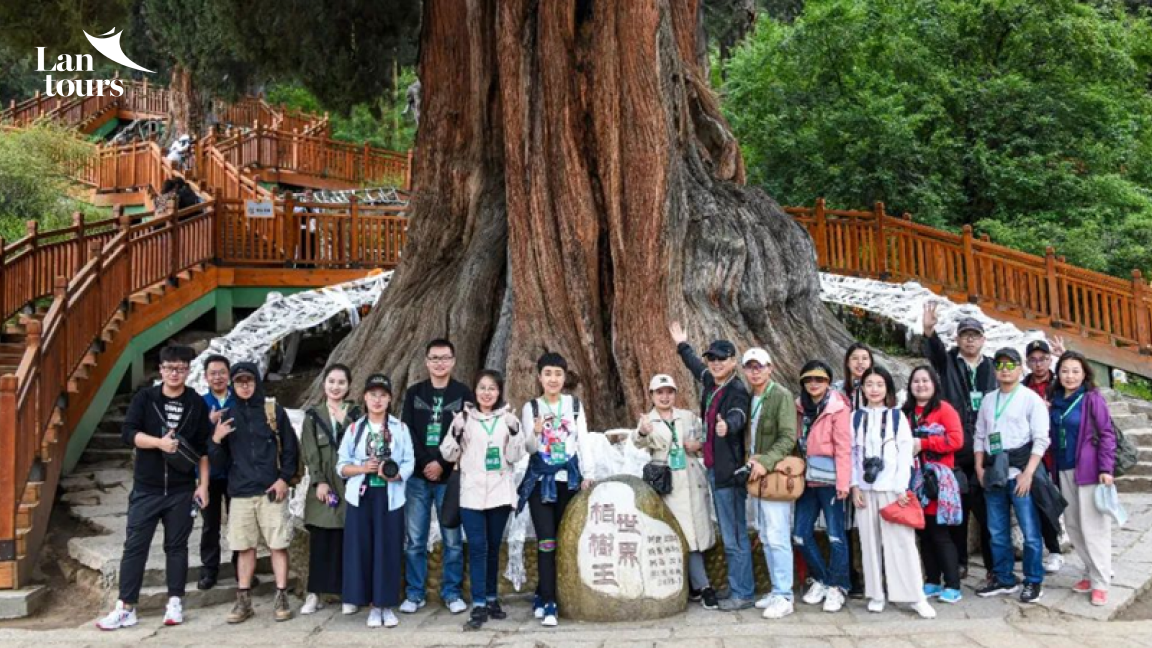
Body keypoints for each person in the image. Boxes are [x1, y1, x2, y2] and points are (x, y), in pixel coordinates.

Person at [97, 346, 213, 630]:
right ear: (160, 369)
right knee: (135, 546)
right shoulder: (146, 399)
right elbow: (128, 434)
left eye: (181, 368)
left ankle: (175, 601)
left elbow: (202, 450)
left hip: (181, 489)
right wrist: (159, 443)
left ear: (188, 371)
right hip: (147, 487)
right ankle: (126, 606)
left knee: (177, 547)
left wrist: (204, 486)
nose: (175, 373)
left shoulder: (195, 403)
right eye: (170, 367)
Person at [669, 322, 754, 611]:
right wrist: (683, 344)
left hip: (729, 473)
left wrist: (726, 426)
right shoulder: (711, 383)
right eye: (712, 359)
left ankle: (743, 593)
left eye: (722, 359)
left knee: (734, 535)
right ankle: (736, 584)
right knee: (731, 533)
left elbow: (738, 415)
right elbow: (696, 367)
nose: (716, 364)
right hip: (715, 470)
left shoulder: (737, 390)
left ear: (733, 362)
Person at [208, 362, 298, 624]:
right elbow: (216, 463)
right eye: (239, 382)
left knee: (277, 545)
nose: (245, 385)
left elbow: (291, 448)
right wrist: (216, 438)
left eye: (249, 380)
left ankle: (281, 595)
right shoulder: (227, 415)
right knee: (244, 546)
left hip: (271, 488)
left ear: (257, 382)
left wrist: (284, 479)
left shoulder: (272, 411)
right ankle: (243, 598)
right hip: (240, 491)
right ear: (232, 385)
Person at [440, 370, 527, 630]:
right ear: (475, 392)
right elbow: (447, 454)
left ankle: (491, 599)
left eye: (492, 388)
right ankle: (478, 603)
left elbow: (515, 455)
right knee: (477, 547)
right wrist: (455, 432)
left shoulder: (508, 419)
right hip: (471, 494)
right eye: (482, 388)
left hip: (500, 492)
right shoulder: (465, 418)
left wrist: (513, 431)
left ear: (499, 392)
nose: (487, 393)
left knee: (492, 547)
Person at [850, 366, 936, 619]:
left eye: (879, 384)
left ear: (887, 388)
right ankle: (876, 593)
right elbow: (851, 455)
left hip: (892, 488)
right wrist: (855, 485)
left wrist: (902, 488)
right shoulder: (854, 417)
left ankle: (914, 595)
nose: (874, 390)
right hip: (865, 490)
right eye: (869, 384)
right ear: (862, 388)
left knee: (901, 542)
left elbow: (904, 453)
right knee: (869, 542)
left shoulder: (897, 417)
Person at [921, 303, 996, 582]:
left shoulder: (992, 366)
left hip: (985, 447)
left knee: (987, 510)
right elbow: (935, 353)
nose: (970, 339)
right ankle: (960, 561)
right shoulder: (949, 362)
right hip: (956, 447)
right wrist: (929, 331)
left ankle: (992, 566)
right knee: (957, 508)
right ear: (958, 339)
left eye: (975, 335)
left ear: (983, 339)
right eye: (965, 335)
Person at [518, 352, 594, 627]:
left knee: (563, 539)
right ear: (539, 377)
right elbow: (529, 449)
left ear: (564, 377)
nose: (553, 379)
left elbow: (582, 440)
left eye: (558, 374)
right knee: (546, 541)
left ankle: (543, 592)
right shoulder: (531, 408)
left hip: (569, 481)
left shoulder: (573, 405)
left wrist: (589, 473)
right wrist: (535, 433)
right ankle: (550, 602)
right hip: (540, 483)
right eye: (547, 373)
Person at [632, 374, 718, 611]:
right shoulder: (648, 420)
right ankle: (705, 587)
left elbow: (704, 438)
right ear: (651, 395)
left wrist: (698, 446)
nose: (665, 396)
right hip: (667, 483)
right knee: (684, 535)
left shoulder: (688, 417)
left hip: (691, 477)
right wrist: (641, 432)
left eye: (669, 392)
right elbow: (636, 441)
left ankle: (692, 586)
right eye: (659, 392)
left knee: (696, 533)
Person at [399, 339, 473, 615]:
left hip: (449, 478)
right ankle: (415, 593)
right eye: (434, 358)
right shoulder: (414, 392)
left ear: (453, 361)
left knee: (452, 539)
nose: (440, 363)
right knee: (415, 539)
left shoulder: (463, 392)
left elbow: (465, 433)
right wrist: (427, 462)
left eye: (445, 358)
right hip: (417, 478)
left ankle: (451, 592)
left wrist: (442, 463)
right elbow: (407, 431)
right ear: (426, 361)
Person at [974, 348, 1051, 603]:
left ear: (1021, 369)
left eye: (1011, 365)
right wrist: (979, 467)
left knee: (1030, 531)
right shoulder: (988, 400)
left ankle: (1033, 580)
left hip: (1020, 472)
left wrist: (1028, 474)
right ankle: (1004, 577)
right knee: (996, 530)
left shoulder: (1031, 399)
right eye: (1000, 365)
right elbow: (980, 435)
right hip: (994, 471)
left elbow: (1041, 439)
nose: (1005, 370)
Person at [338, 374, 415, 628]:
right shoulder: (354, 429)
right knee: (363, 548)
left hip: (390, 495)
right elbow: (341, 466)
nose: (377, 400)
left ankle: (386, 604)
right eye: (373, 395)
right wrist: (363, 468)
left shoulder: (399, 428)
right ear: (365, 398)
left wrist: (395, 475)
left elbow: (409, 462)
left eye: (383, 395)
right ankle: (371, 605)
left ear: (390, 398)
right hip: (361, 495)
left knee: (388, 548)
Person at [1049, 351, 1116, 606]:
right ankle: (1090, 571)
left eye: (1075, 371)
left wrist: (1106, 468)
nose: (1070, 376)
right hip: (1064, 468)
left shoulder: (1092, 399)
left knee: (1094, 527)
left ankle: (1101, 582)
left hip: (1089, 471)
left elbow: (1107, 434)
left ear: (1085, 373)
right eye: (1065, 370)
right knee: (1074, 526)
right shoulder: (1055, 400)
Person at [299, 364, 362, 616]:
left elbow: (361, 444)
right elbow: (310, 452)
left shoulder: (356, 413)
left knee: (347, 542)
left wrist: (343, 420)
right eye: (331, 381)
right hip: (325, 486)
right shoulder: (313, 416)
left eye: (341, 383)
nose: (336, 387)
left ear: (348, 386)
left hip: (350, 485)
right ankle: (314, 593)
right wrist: (319, 481)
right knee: (321, 542)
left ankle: (349, 593)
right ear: (324, 384)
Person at [792, 360, 852, 613]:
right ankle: (823, 578)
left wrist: (843, 481)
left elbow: (844, 446)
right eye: (809, 380)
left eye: (819, 379)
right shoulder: (799, 407)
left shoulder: (837, 407)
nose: (813, 384)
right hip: (806, 480)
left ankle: (839, 585)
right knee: (800, 534)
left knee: (836, 535)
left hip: (830, 480)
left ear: (828, 382)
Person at [741, 349, 797, 619]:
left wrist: (766, 460)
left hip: (773, 476)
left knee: (777, 535)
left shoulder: (781, 396)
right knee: (764, 534)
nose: (755, 371)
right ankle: (776, 589)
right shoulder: (749, 397)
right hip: (756, 476)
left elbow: (788, 437)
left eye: (760, 366)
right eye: (750, 367)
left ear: (770, 368)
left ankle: (785, 594)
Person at [903, 365, 965, 604]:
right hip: (914, 480)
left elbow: (956, 440)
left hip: (938, 480)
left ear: (934, 384)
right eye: (916, 381)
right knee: (924, 532)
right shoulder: (906, 411)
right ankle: (931, 580)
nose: (920, 385)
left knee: (939, 533)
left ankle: (952, 584)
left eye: (925, 381)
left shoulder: (944, 409)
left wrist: (925, 443)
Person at [1022, 338, 1068, 574]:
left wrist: (1066, 354)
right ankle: (1054, 549)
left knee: (1073, 502)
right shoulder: (1022, 387)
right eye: (1033, 359)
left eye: (1043, 359)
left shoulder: (1060, 383)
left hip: (1061, 451)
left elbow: (1082, 387)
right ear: (1027, 362)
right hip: (1035, 453)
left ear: (1050, 360)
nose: (1038, 364)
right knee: (1043, 501)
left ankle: (1091, 555)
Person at [833, 342, 873, 598]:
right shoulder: (837, 390)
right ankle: (850, 576)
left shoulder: (877, 387)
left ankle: (874, 574)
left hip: (870, 460)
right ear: (847, 362)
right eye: (855, 358)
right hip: (842, 457)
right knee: (845, 522)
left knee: (870, 521)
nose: (860, 363)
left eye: (865, 358)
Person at [198, 354, 237, 591]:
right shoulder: (200, 403)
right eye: (213, 373)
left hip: (235, 472)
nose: (218, 377)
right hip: (209, 474)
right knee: (210, 524)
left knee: (238, 522)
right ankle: (209, 570)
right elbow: (193, 440)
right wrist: (208, 423)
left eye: (222, 372)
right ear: (206, 377)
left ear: (229, 375)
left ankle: (240, 567)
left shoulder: (239, 400)